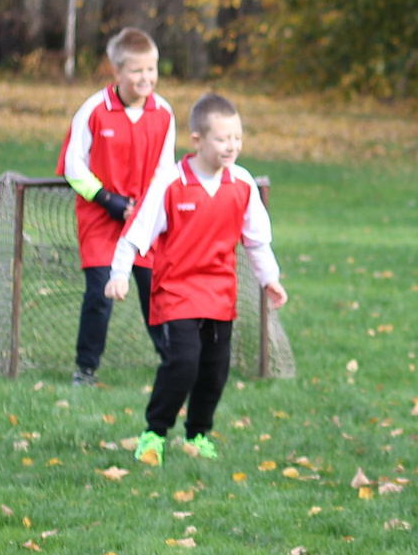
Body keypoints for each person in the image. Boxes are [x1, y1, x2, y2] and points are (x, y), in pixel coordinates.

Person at [106, 93, 286, 465]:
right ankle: (154, 433)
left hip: (220, 292)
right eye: (222, 139)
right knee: (184, 362)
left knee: (215, 370)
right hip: (177, 290)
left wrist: (270, 278)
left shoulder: (242, 182)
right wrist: (119, 273)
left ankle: (198, 435)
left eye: (237, 137)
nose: (232, 146)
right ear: (197, 140)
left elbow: (256, 240)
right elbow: (136, 233)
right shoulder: (170, 182)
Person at [57, 27, 178, 386]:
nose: (146, 77)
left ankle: (175, 364)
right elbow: (73, 166)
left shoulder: (164, 112)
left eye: (151, 69)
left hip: (144, 221)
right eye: (137, 70)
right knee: (100, 294)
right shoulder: (94, 110)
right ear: (117, 71)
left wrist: (147, 209)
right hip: (101, 220)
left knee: (156, 292)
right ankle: (86, 368)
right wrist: (107, 200)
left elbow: (165, 170)